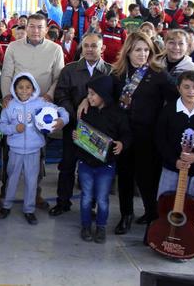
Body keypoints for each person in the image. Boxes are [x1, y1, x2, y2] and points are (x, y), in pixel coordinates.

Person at [82, 32, 172, 235]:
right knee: (124, 177)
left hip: (147, 137)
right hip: (122, 135)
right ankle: (126, 215)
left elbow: (176, 99)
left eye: (146, 50)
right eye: (138, 49)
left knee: (147, 179)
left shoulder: (158, 73)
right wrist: (85, 99)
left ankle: (152, 216)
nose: (142, 54)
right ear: (128, 51)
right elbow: (100, 93)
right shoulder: (117, 74)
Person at [1, 13, 65, 209]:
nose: (36, 30)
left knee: (39, 154)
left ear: (46, 29)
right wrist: (7, 97)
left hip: (40, 110)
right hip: (16, 106)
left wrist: (49, 96)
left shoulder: (56, 49)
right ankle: (5, 192)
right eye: (32, 26)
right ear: (25, 27)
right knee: (9, 150)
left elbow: (58, 77)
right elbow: (6, 74)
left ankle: (35, 192)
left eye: (40, 27)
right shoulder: (13, 47)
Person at [50, 33, 113, 217]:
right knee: (67, 165)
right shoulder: (69, 71)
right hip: (73, 127)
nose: (90, 49)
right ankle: (63, 202)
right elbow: (61, 95)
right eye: (86, 46)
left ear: (103, 49)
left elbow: (113, 99)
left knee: (94, 168)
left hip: (98, 131)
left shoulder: (111, 71)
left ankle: (91, 206)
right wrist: (75, 113)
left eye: (94, 46)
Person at [0, 73, 68, 225]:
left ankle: (29, 210)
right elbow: (1, 126)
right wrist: (14, 128)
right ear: (14, 89)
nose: (24, 90)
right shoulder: (10, 106)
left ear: (33, 88)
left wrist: (62, 120)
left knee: (31, 180)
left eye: (28, 87)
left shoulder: (40, 103)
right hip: (15, 150)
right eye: (20, 87)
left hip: (34, 150)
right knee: (12, 178)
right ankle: (6, 206)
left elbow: (61, 110)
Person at [75, 76, 131, 243]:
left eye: (93, 94)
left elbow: (127, 134)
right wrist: (76, 136)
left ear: (104, 95)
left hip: (106, 166)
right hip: (85, 163)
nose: (89, 98)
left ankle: (101, 227)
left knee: (102, 199)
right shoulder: (86, 111)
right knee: (85, 198)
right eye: (88, 94)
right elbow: (80, 133)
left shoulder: (117, 115)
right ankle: (85, 225)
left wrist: (122, 144)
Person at [155, 71, 194, 221]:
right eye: (186, 87)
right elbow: (160, 139)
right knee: (166, 207)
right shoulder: (168, 111)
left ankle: (187, 240)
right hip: (172, 168)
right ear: (178, 88)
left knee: (193, 212)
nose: (191, 91)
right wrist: (174, 160)